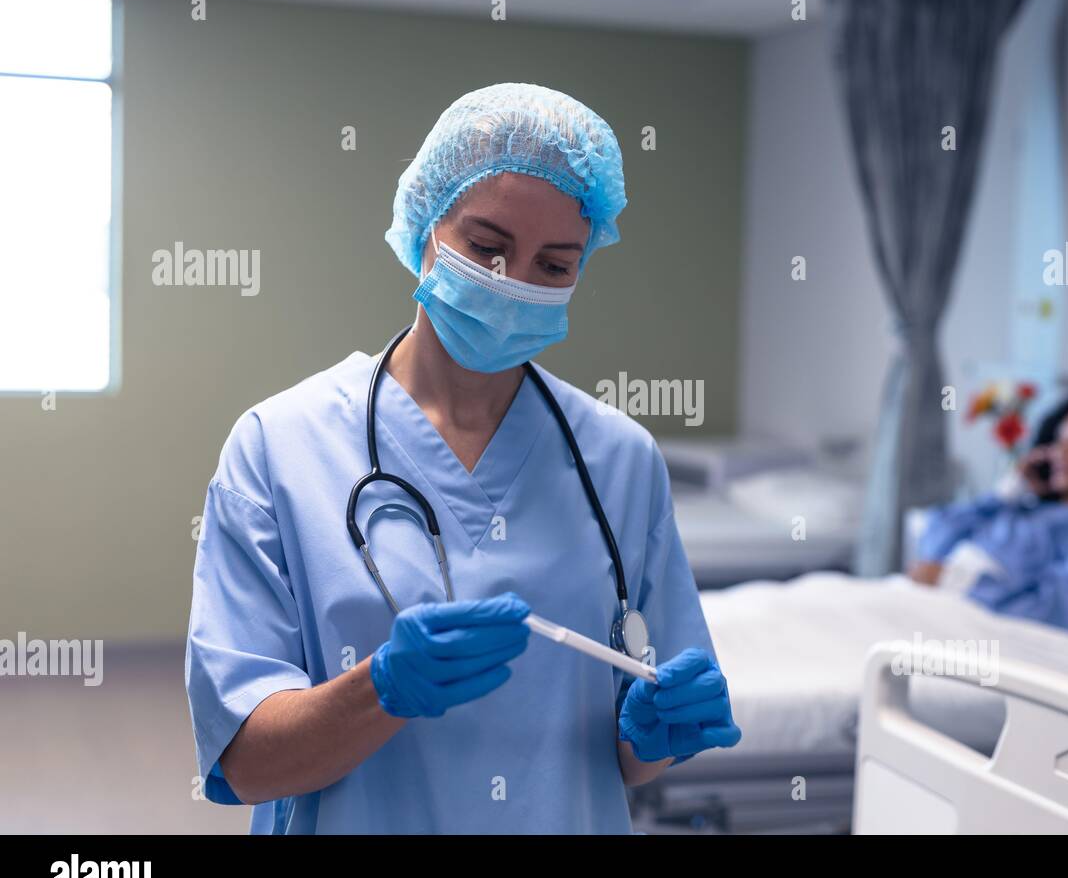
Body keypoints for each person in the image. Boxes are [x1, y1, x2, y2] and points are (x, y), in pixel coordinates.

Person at [184, 83, 741, 834]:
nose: (513, 282)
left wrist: (655, 736)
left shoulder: (622, 460)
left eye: (553, 264)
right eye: (486, 247)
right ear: (423, 226)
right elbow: (245, 762)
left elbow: (632, 751)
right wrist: (381, 689)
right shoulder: (280, 447)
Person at [907, 393, 1068, 633]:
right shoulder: (1020, 507)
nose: (1059, 452)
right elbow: (933, 539)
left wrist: (958, 581)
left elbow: (1064, 614)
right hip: (922, 602)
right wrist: (1004, 494)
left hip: (964, 620)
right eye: (1058, 441)